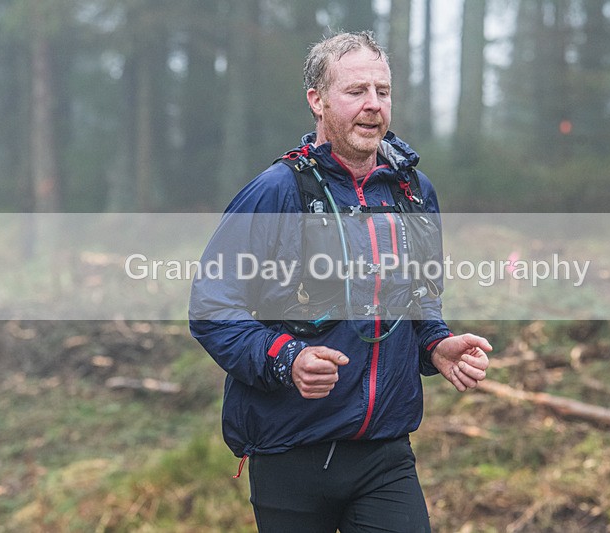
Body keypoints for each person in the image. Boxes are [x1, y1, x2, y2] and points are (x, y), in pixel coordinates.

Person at [190, 31, 491, 533]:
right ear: (317, 100)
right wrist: (286, 359)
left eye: (383, 91)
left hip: (385, 454)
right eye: (356, 92)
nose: (373, 105)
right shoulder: (276, 192)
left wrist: (435, 344)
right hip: (291, 449)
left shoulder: (414, 193)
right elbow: (212, 307)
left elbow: (419, 297)